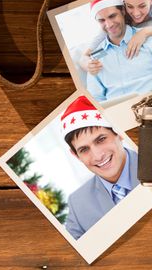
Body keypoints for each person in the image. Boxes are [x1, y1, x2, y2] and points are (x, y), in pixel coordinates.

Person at [60, 96, 140, 240]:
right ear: (76, 155)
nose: (97, 156)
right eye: (84, 149)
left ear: (119, 132)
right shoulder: (77, 204)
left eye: (101, 139)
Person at [85, 0, 152, 102]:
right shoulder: (97, 55)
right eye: (101, 20)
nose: (108, 25)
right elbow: (96, 98)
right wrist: (87, 63)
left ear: (123, 11)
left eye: (112, 16)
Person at [81, 0, 152, 75]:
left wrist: (144, 32)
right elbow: (88, 55)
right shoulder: (111, 25)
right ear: (124, 7)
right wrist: (88, 64)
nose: (136, 13)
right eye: (130, 6)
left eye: (142, 6)